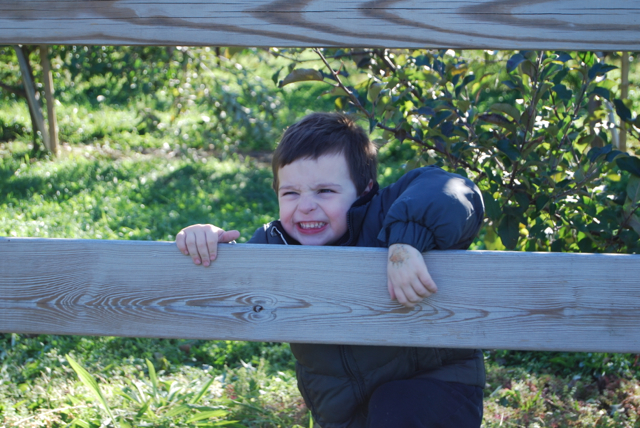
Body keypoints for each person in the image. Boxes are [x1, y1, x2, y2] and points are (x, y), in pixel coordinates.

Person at [176, 112, 485, 428]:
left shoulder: (383, 215)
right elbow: (233, 285)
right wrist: (207, 241)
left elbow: (454, 188)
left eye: (325, 191)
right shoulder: (275, 245)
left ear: (364, 191)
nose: (306, 205)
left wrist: (406, 241)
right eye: (291, 193)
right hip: (342, 410)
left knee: (394, 407)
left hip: (435, 389)